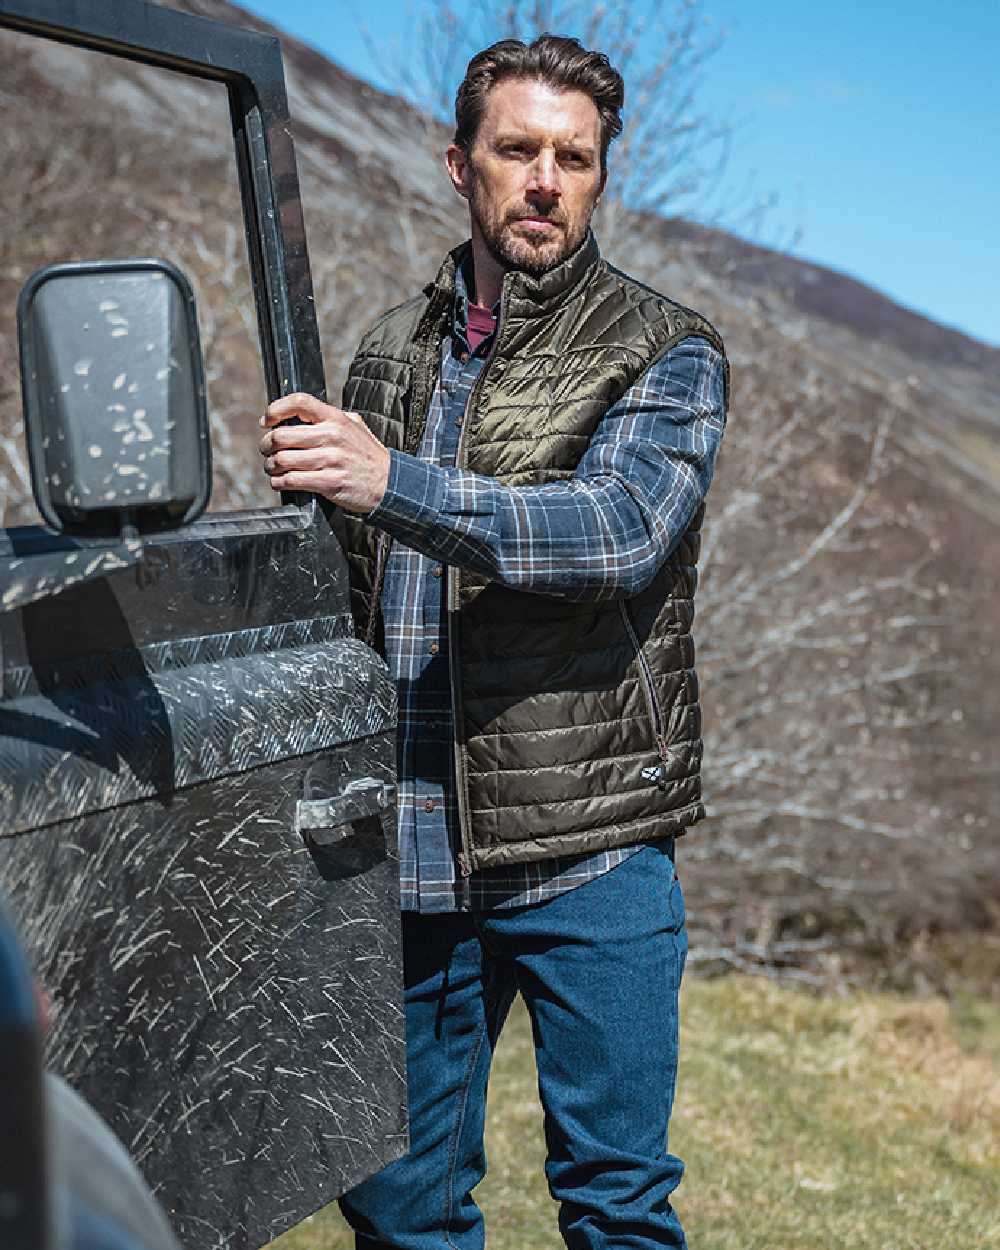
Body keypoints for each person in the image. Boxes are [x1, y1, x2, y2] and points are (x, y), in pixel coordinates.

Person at [259, 34, 728, 1250]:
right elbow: (343, 596)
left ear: (598, 179)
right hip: (408, 848)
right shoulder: (385, 354)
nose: (544, 179)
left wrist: (391, 479)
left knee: (616, 1201)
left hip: (593, 848)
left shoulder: (662, 349)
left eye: (573, 158)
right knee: (403, 1202)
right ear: (457, 163)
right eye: (517, 149)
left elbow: (617, 532)